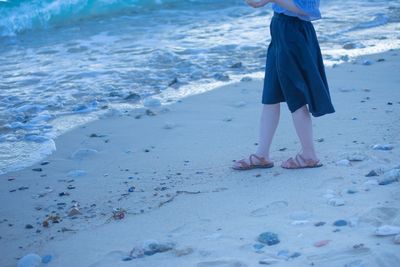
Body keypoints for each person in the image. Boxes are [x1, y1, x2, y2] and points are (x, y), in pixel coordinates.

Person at [232, 0, 335, 170]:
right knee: (270, 96)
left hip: (294, 34)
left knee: (296, 96)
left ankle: (309, 155)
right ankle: (262, 154)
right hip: (279, 28)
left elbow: (307, 9)